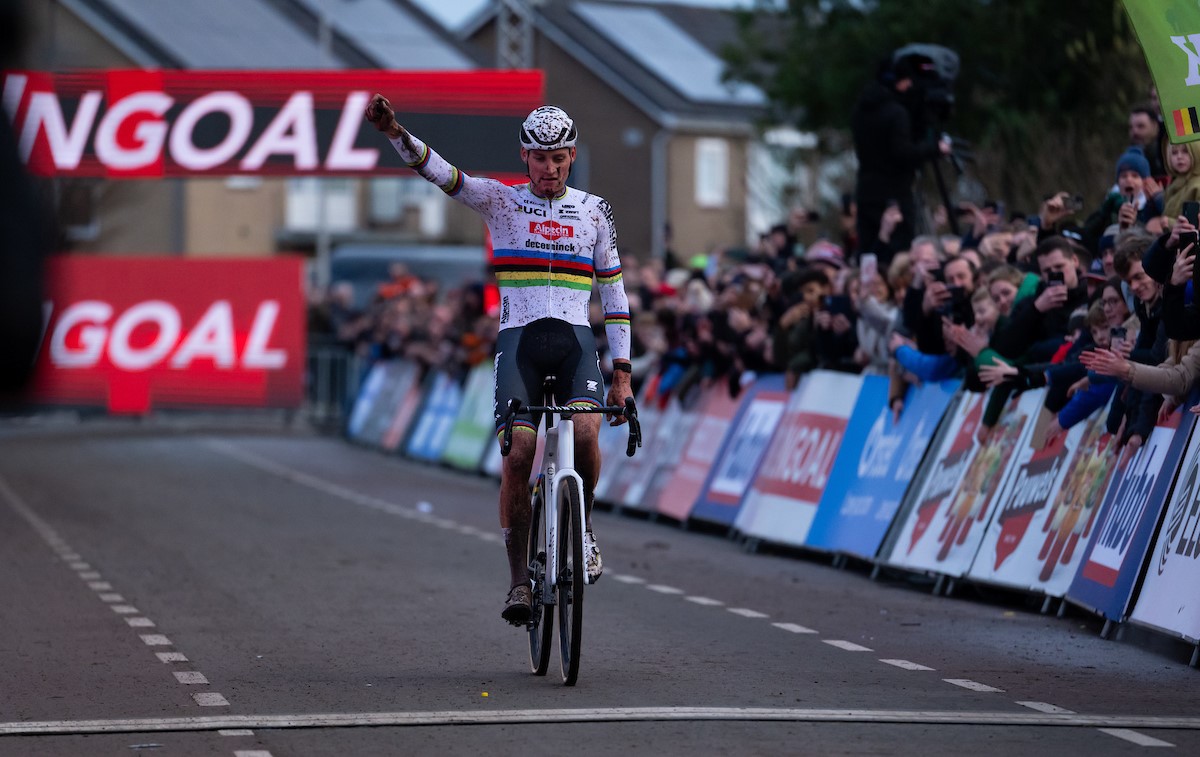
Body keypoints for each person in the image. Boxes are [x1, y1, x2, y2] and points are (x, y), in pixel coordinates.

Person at [365, 96, 634, 626]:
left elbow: (617, 296)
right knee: (519, 455)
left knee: (584, 434)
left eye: (559, 157)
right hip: (519, 344)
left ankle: (581, 527)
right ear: (525, 157)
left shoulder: (595, 211)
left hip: (578, 342)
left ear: (572, 155)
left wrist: (622, 374)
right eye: (540, 158)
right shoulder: (500, 202)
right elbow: (441, 174)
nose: (550, 168)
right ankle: (518, 583)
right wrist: (394, 130)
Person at [851, 55, 953, 261]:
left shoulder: (861, 110)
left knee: (869, 254)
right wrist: (935, 148)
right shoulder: (896, 113)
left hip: (866, 192)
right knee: (898, 254)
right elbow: (902, 152)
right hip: (895, 195)